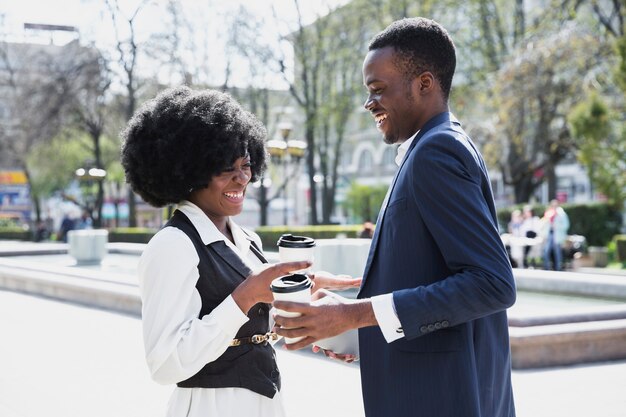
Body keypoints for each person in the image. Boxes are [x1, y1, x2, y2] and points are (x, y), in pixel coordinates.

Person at [273, 18, 516, 417]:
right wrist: (359, 331)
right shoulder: (432, 148)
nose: (369, 103)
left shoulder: (436, 152)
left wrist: (352, 314)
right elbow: (432, 280)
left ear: (424, 84)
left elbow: (492, 284)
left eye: (378, 90)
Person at [120, 86, 359, 417]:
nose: (241, 178)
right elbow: (164, 365)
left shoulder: (247, 240)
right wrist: (244, 297)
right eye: (224, 168)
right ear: (189, 170)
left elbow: (250, 335)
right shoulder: (172, 245)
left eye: (245, 165)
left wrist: (308, 314)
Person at [541, 199, 570, 271]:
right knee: (546, 251)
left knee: (557, 252)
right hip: (550, 235)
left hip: (557, 236)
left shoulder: (562, 214)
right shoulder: (549, 213)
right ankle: (546, 267)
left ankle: (558, 268)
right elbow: (544, 225)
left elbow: (566, 226)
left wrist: (556, 225)